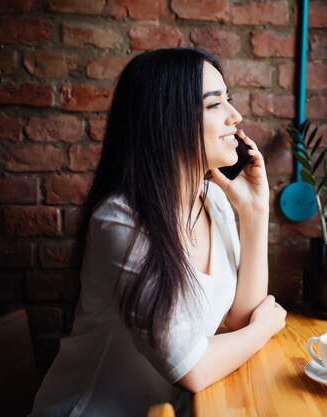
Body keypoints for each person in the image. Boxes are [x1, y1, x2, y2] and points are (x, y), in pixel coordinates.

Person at [29, 48, 287, 417]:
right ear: (167, 119)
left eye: (228, 100)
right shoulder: (121, 220)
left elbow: (239, 321)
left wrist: (255, 212)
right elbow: (192, 368)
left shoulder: (212, 198)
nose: (236, 116)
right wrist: (263, 329)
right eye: (215, 105)